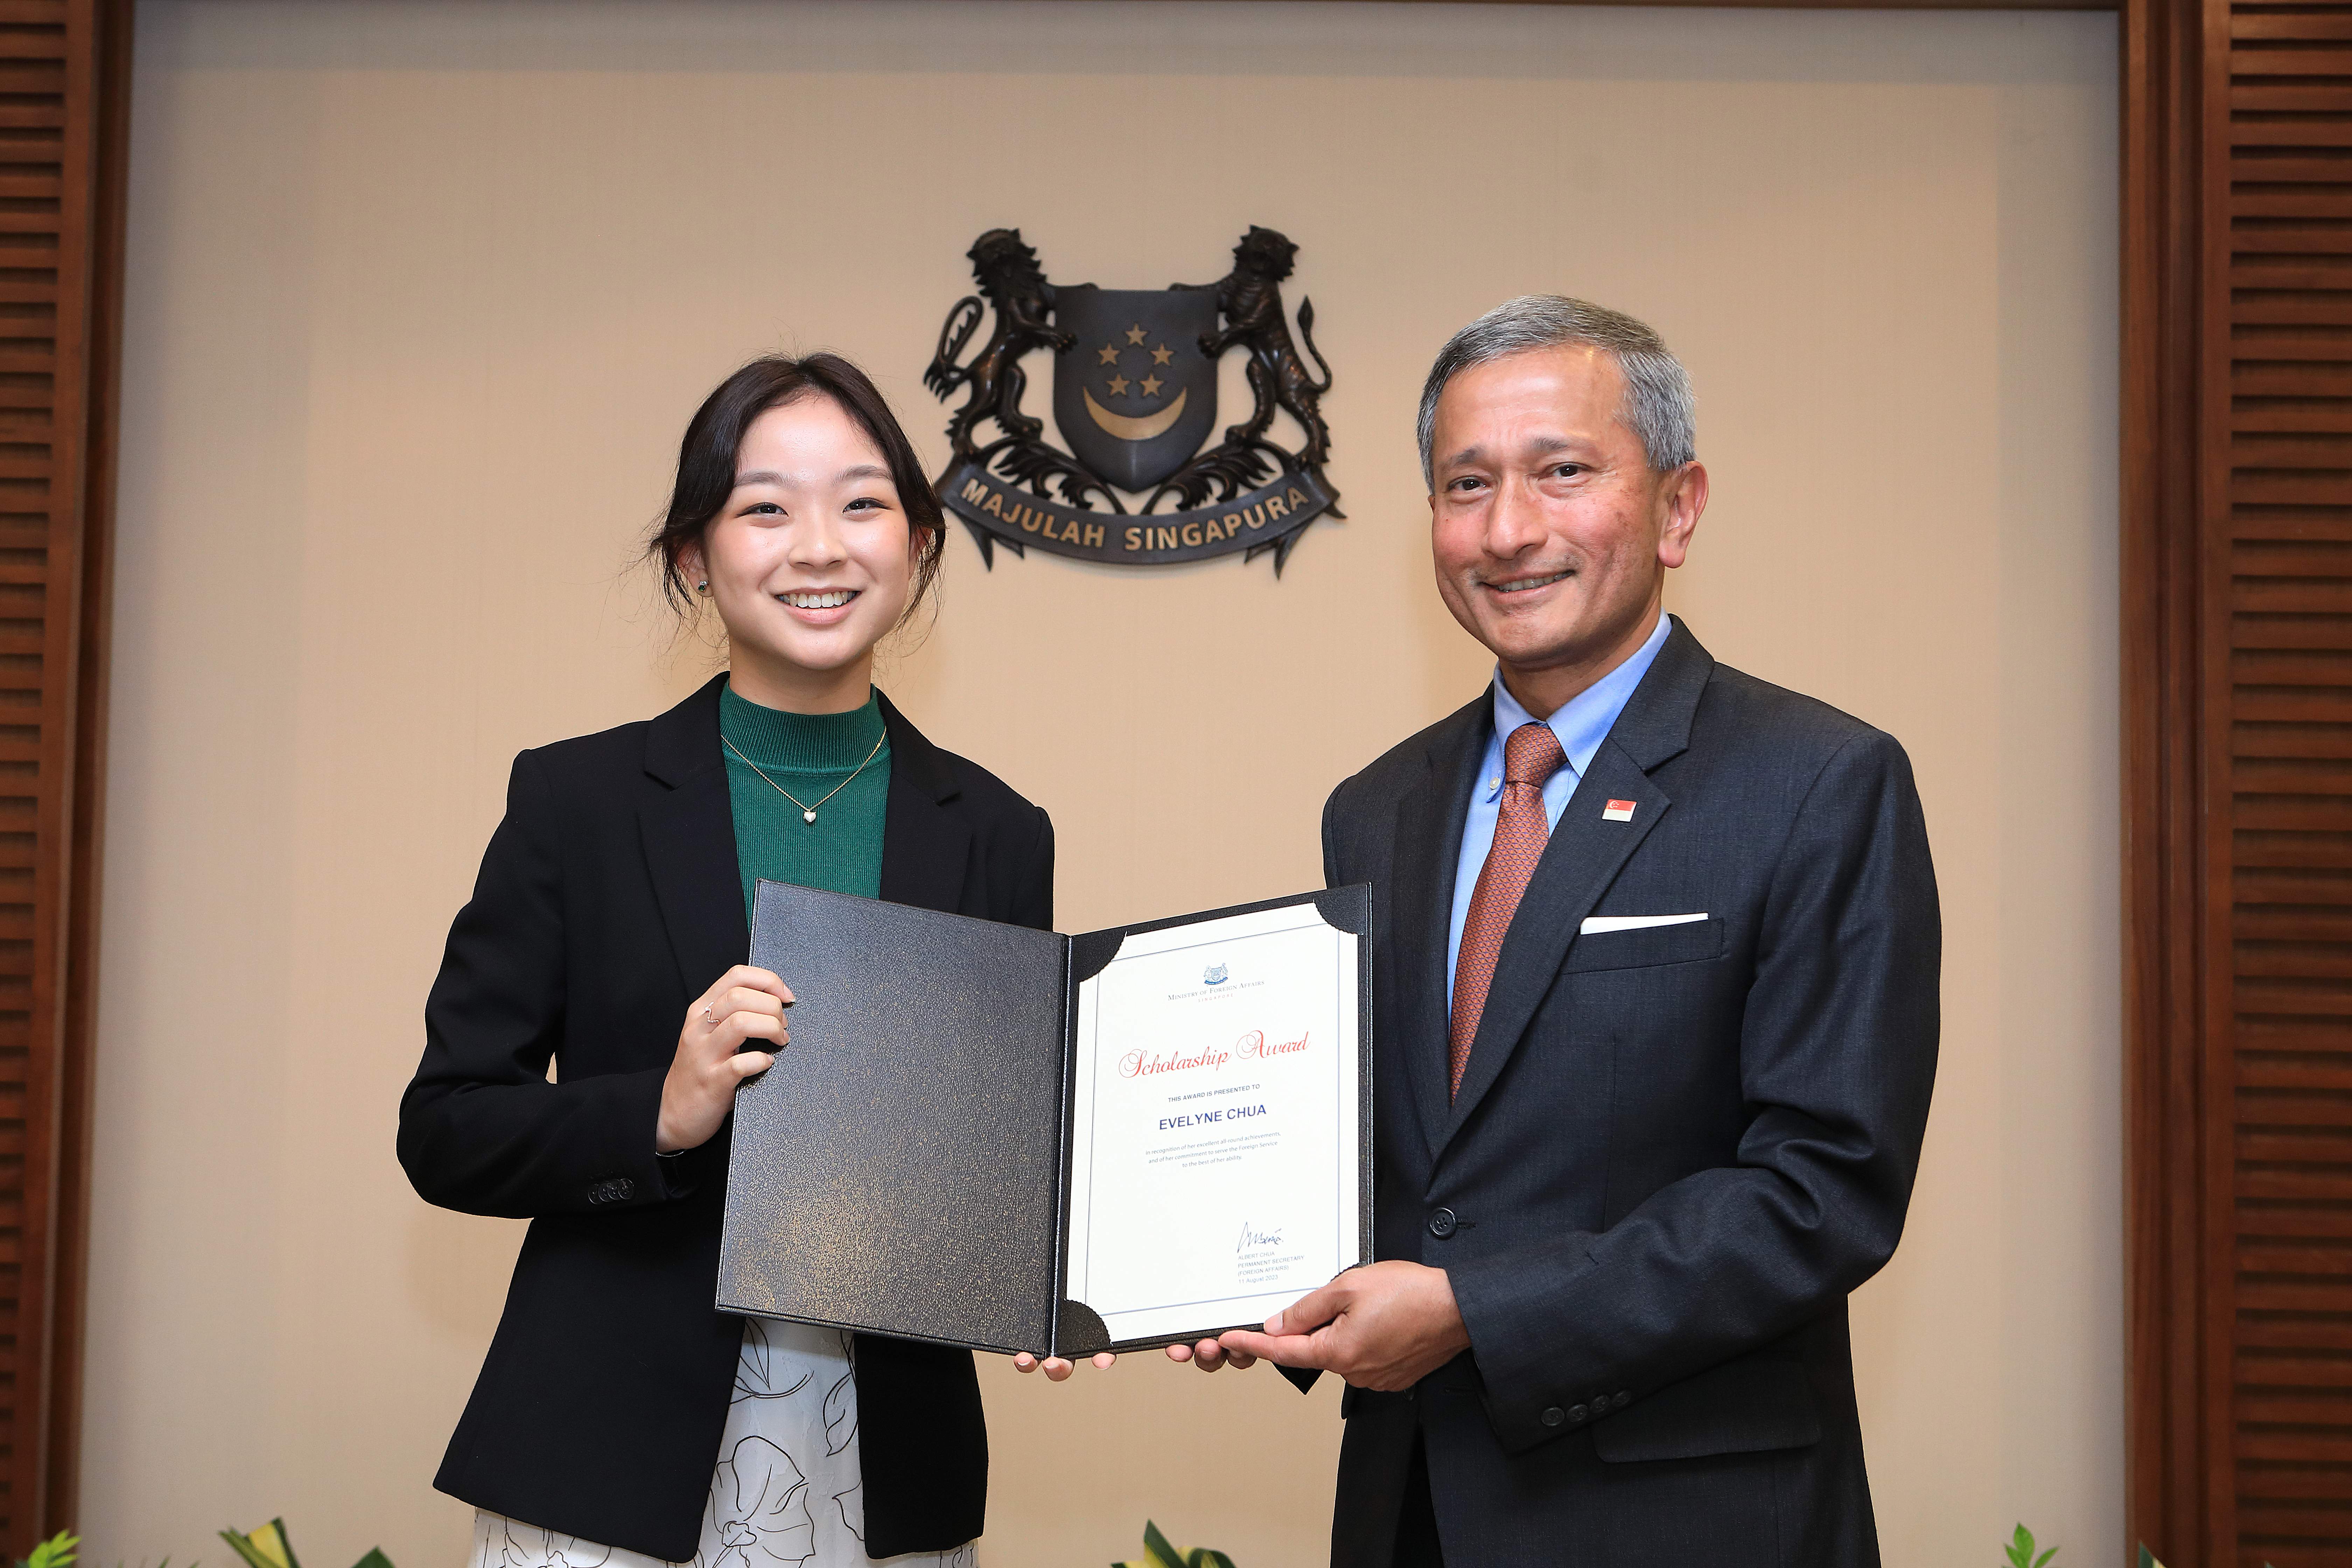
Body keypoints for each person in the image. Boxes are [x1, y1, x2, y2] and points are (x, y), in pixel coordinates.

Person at [1172, 296, 1940, 1567]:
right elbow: (1388, 1162)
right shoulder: (1376, 810)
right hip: (1412, 1511)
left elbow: (1824, 1195)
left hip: (1690, 1521)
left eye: (1563, 473)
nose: (1508, 529)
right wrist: (1208, 1276)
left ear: (1680, 507)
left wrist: (1478, 1311)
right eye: (1465, 484)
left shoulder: (1819, 782)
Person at [400, 352, 1093, 1568]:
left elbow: (1004, 1147)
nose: (818, 546)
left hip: (890, 1465)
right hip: (605, 1464)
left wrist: (1048, 1265)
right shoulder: (577, 801)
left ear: (921, 544)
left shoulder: (997, 832)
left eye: (864, 503)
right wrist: (659, 1117)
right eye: (766, 507)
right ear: (693, 557)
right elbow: (448, 1127)